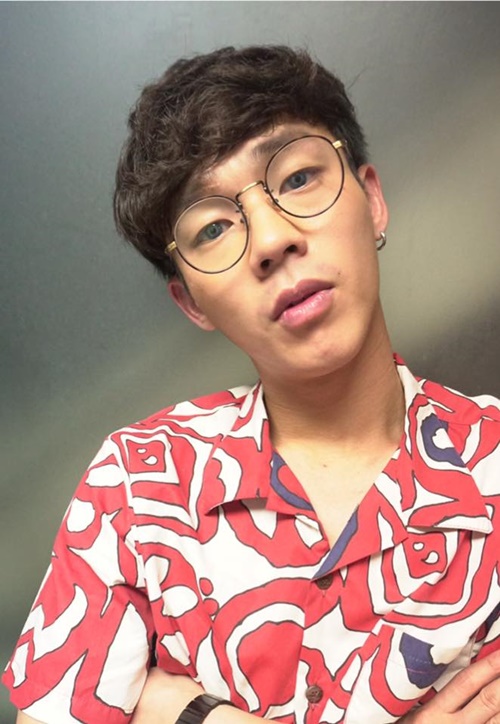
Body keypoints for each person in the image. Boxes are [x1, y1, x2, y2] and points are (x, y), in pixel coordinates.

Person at [3, 45, 500, 724]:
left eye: (297, 178)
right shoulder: (139, 483)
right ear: (191, 303)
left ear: (373, 200)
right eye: (212, 227)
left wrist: (180, 709)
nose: (271, 240)